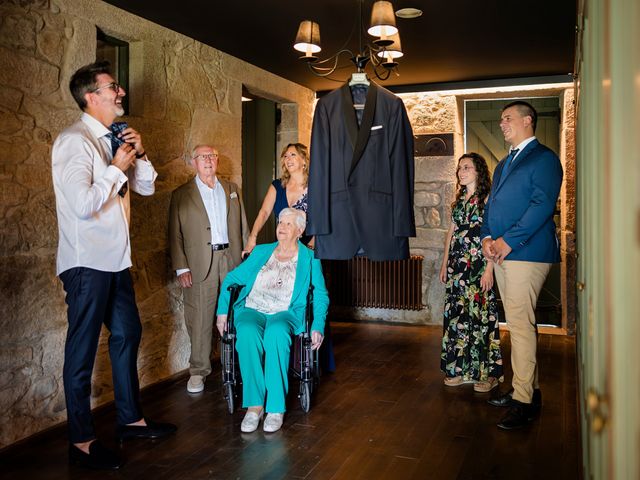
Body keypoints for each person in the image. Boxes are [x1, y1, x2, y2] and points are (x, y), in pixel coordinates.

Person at [51, 61, 176, 471]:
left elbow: (146, 186)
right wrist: (115, 168)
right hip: (86, 263)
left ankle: (131, 420)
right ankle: (82, 440)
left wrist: (138, 155)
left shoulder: (114, 138)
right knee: (82, 350)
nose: (120, 93)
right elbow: (84, 205)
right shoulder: (75, 142)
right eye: (112, 87)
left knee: (128, 332)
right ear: (91, 96)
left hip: (115, 262)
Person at [481, 100, 563, 430]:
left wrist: (507, 242)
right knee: (519, 325)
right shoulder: (503, 164)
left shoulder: (544, 159)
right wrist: (487, 237)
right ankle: (528, 389)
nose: (502, 124)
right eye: (500, 120)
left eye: (508, 119)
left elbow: (541, 206)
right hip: (501, 253)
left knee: (519, 327)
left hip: (525, 253)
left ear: (528, 121)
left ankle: (523, 401)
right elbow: (491, 206)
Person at [216, 208, 329, 433]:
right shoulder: (261, 252)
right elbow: (232, 279)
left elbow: (320, 295)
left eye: (288, 224)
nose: (282, 227)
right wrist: (222, 313)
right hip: (253, 308)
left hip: (285, 312)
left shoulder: (310, 259)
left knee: (276, 333)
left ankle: (276, 407)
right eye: (280, 223)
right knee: (247, 331)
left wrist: (317, 325)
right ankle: (254, 407)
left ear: (300, 230)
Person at [169, 144, 249, 394]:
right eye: (203, 157)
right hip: (200, 262)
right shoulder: (182, 194)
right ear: (194, 162)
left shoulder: (231, 189)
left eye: (213, 156)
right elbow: (174, 234)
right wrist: (181, 267)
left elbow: (243, 225)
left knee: (237, 314)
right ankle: (198, 371)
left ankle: (237, 365)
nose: (209, 160)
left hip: (231, 258)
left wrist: (247, 258)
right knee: (200, 318)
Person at [439, 153, 503, 392]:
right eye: (459, 168)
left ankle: (488, 374)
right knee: (458, 317)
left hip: (478, 267)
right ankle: (459, 369)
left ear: (478, 171)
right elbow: (451, 233)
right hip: (457, 268)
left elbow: (494, 235)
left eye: (466, 167)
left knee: (480, 317)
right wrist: (445, 263)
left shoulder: (487, 199)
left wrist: (489, 269)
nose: (461, 172)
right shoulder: (458, 201)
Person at [244, 143, 312, 254]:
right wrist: (252, 237)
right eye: (286, 156)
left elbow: (323, 220)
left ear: (304, 161)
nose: (288, 159)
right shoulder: (277, 186)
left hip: (310, 247)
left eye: (293, 155)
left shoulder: (314, 186)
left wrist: (311, 247)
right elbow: (264, 212)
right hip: (283, 249)